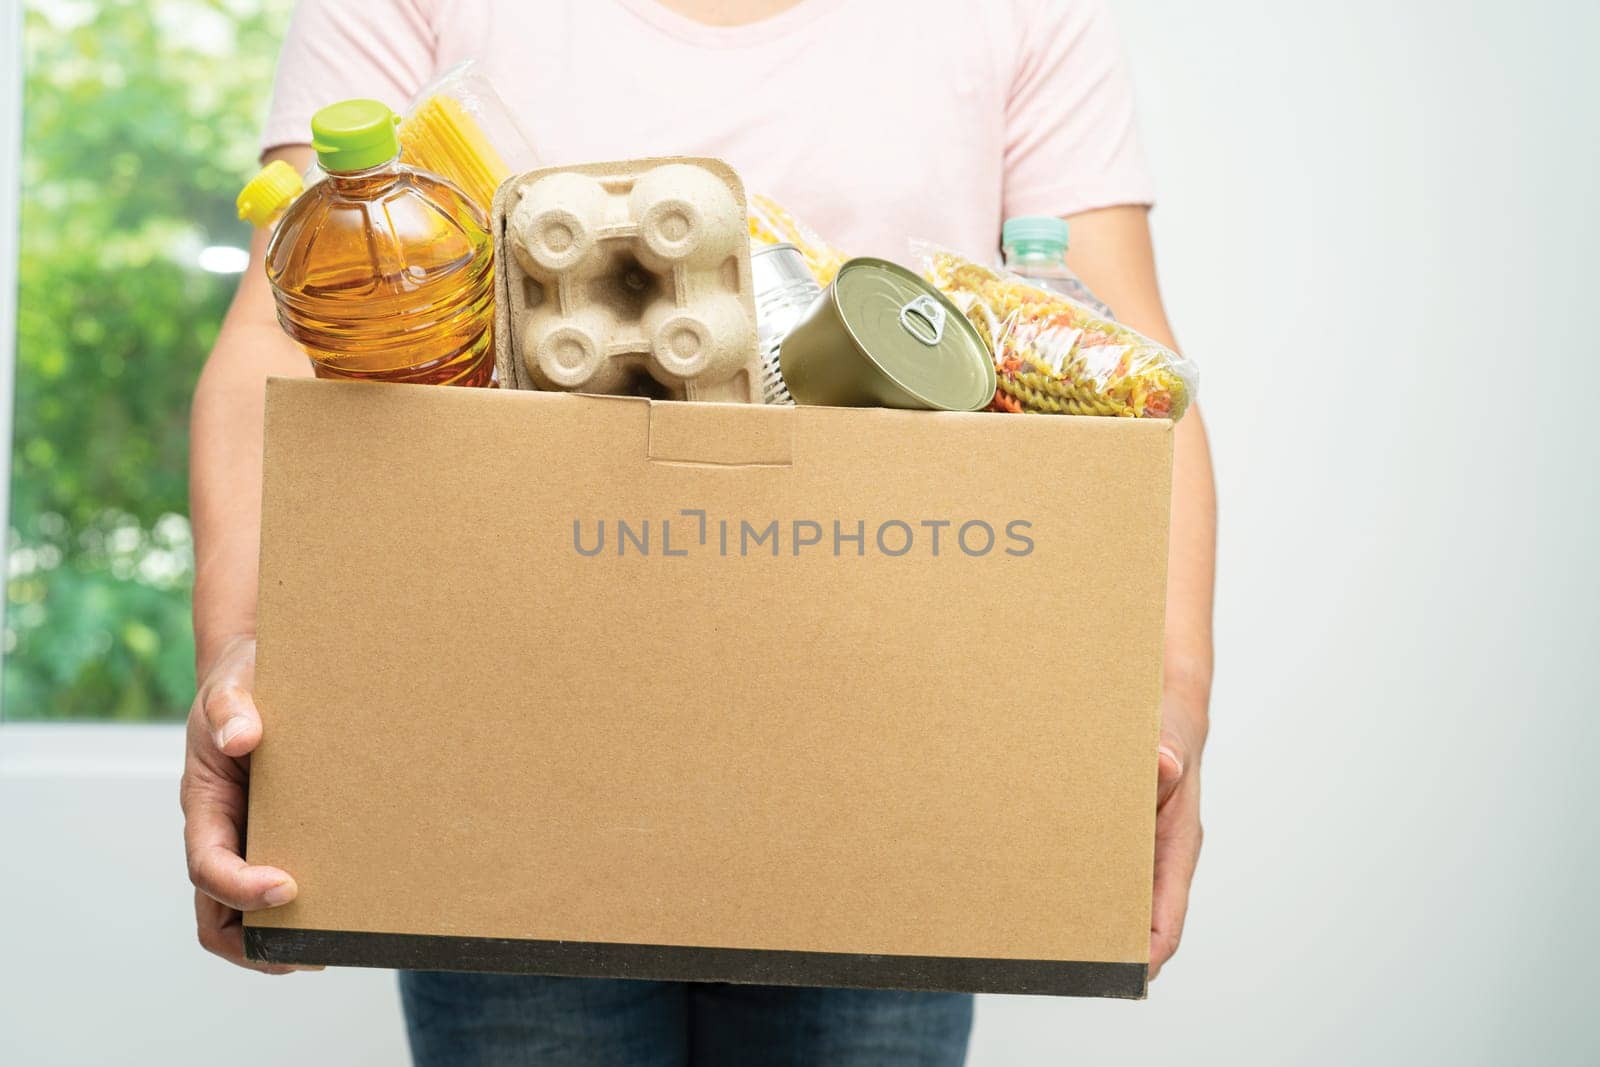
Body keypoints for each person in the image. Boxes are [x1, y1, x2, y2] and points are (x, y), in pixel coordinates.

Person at [182, 0, 1216, 1063]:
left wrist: (1166, 713)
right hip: (504, 738)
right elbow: (282, 329)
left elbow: (1129, 375)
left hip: (878, 762)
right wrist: (244, 656)